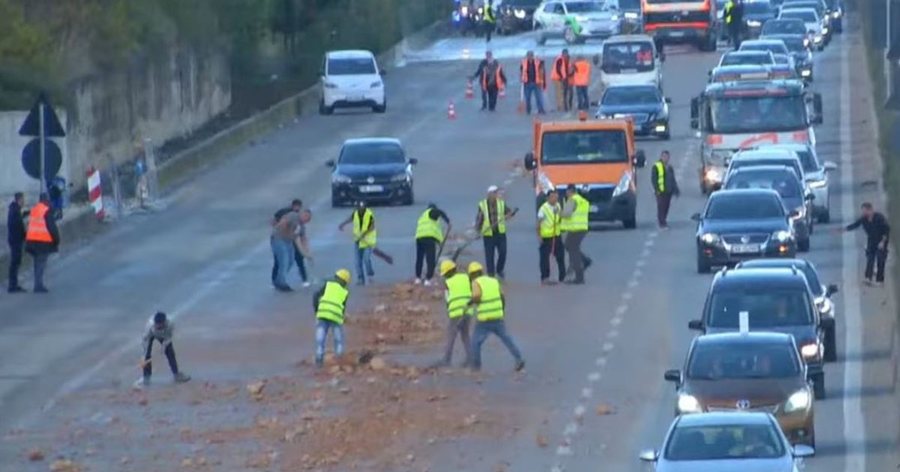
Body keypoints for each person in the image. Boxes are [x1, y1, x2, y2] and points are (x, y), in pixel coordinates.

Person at [467, 261, 525, 372]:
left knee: (476, 342)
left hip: (484, 319)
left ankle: (476, 366)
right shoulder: (494, 281)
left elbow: (477, 296)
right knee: (507, 339)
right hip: (497, 316)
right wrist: (501, 311)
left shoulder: (476, 283)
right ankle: (519, 359)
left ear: (472, 275)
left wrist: (470, 302)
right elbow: (502, 298)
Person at [433, 260, 473, 367]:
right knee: (465, 335)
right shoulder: (465, 277)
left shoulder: (448, 282)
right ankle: (471, 358)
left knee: (451, 335)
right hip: (468, 311)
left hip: (455, 313)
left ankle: (447, 359)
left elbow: (447, 299)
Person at [840, 202, 890, 286]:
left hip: (881, 240)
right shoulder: (864, 219)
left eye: (865, 211)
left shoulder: (879, 218)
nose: (864, 213)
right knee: (870, 259)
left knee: (880, 260)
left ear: (870, 210)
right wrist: (844, 229)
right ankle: (868, 278)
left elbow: (886, 230)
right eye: (863, 211)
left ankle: (880, 280)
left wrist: (882, 242)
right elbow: (856, 225)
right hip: (871, 241)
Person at [475, 186, 518, 278]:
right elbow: (479, 219)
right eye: (494, 193)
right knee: (489, 256)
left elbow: (509, 213)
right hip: (488, 234)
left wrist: (511, 214)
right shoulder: (482, 205)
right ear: (489, 194)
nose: (495, 195)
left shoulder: (501, 204)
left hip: (500, 233)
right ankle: (491, 274)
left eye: (496, 193)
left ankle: (500, 269)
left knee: (503, 252)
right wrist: (478, 231)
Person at [313, 269, 351, 367]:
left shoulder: (328, 285)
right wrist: (342, 317)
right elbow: (343, 307)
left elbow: (315, 295)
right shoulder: (345, 292)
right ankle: (339, 358)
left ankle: (319, 359)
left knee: (320, 339)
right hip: (335, 317)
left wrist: (317, 310)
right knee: (338, 339)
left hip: (323, 314)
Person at [140, 312, 191, 386]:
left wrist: (163, 347)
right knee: (146, 356)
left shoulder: (170, 324)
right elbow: (145, 339)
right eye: (157, 324)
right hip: (151, 335)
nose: (158, 326)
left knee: (170, 352)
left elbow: (169, 337)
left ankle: (176, 374)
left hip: (164, 335)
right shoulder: (150, 325)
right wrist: (144, 355)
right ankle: (146, 377)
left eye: (160, 325)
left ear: (164, 322)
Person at [24, 193, 59, 293]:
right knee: (41, 264)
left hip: (31, 241)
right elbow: (52, 227)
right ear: (47, 200)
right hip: (42, 241)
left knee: (36, 263)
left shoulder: (35, 209)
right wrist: (56, 240)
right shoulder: (47, 211)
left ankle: (37, 283)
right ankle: (38, 285)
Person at [560, 186, 593, 284]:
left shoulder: (572, 200)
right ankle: (586, 261)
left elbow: (567, 214)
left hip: (575, 229)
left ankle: (579, 277)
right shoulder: (583, 201)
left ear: (570, 191)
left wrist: (558, 212)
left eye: (567, 192)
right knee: (569, 246)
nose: (566, 194)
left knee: (573, 250)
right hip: (582, 228)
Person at [339, 201, 377, 285]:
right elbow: (350, 218)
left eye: (362, 208)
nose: (361, 209)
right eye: (359, 208)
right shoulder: (355, 213)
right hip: (358, 241)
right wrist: (342, 224)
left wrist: (364, 234)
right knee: (357, 261)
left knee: (366, 259)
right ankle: (360, 278)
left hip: (367, 242)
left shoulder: (369, 214)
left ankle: (370, 275)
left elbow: (372, 226)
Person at [415, 203, 451, 286]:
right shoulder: (431, 212)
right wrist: (448, 221)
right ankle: (428, 279)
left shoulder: (423, 216)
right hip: (428, 239)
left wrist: (439, 243)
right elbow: (439, 212)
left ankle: (418, 278)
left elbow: (433, 230)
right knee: (430, 258)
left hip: (419, 238)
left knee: (419, 258)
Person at [271, 199, 303, 289]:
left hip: (287, 240)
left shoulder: (297, 217)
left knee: (288, 260)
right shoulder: (290, 214)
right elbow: (278, 222)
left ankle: (278, 280)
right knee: (283, 261)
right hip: (280, 239)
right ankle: (280, 282)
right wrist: (281, 232)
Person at [537, 191, 566, 285]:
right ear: (548, 198)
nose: (555, 199)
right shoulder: (543, 208)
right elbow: (538, 224)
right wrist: (539, 237)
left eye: (556, 197)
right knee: (545, 258)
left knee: (560, 256)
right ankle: (545, 277)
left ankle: (563, 277)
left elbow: (561, 217)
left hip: (556, 235)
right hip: (547, 236)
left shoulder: (557, 205)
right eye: (553, 197)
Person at [651, 150, 680, 229]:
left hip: (668, 191)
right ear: (661, 157)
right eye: (664, 156)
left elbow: (672, 179)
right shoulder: (656, 166)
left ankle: (663, 220)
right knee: (661, 207)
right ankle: (662, 223)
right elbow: (654, 179)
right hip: (660, 191)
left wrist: (676, 190)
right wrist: (656, 189)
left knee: (666, 207)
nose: (666, 158)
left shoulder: (669, 167)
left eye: (667, 157)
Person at [7, 192, 27, 293]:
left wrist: (26, 213)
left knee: (16, 262)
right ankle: (12, 286)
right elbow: (17, 226)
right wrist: (25, 235)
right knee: (15, 263)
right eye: (23, 199)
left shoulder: (14, 209)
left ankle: (14, 284)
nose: (24, 201)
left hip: (15, 240)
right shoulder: (15, 211)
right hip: (15, 240)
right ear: (19, 199)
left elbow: (19, 220)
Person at [294, 209, 313, 288]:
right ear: (303, 215)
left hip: (294, 242)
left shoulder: (302, 225)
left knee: (300, 261)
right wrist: (305, 253)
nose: (308, 220)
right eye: (307, 218)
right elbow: (297, 240)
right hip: (288, 243)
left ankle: (304, 279)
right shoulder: (297, 224)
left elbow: (304, 239)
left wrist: (308, 252)